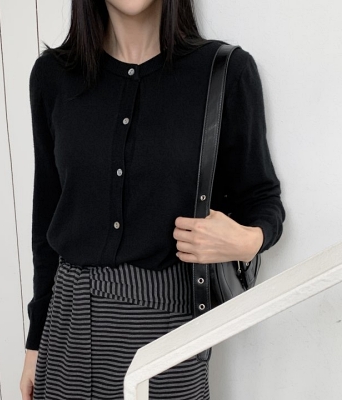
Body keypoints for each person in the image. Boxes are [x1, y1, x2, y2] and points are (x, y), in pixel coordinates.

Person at [19, 0, 286, 399]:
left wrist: (247, 241)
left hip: (169, 325)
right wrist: (35, 341)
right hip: (68, 323)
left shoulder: (224, 71)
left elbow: (263, 198)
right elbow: (46, 218)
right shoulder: (53, 76)